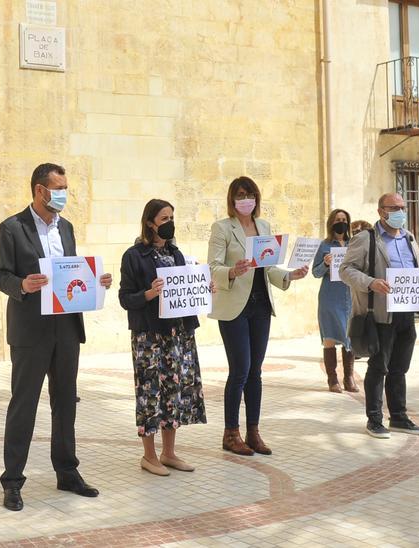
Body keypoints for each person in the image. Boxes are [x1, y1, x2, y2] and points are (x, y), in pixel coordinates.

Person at [0, 163, 112, 512]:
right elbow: (2, 276)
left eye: (65, 188)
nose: (63, 194)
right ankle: (12, 481)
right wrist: (22, 285)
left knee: (65, 402)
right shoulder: (12, 228)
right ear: (39, 190)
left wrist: (95, 283)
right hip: (31, 330)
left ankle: (67, 471)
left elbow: (70, 274)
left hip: (66, 328)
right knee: (24, 405)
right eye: (58, 188)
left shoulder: (68, 228)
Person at [207, 176, 308, 456]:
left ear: (257, 199)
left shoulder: (263, 227)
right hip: (234, 306)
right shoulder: (222, 228)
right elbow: (212, 265)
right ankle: (230, 433)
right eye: (240, 194)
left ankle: (253, 431)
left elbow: (268, 266)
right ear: (232, 199)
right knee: (239, 369)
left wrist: (290, 275)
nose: (246, 199)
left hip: (261, 305)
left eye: (250, 194)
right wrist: (231, 271)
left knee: (256, 372)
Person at [340, 192, 419, 439]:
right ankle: (374, 419)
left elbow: (414, 271)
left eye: (402, 207)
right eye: (394, 208)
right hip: (380, 313)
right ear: (380, 211)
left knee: (399, 367)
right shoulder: (366, 239)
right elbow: (345, 270)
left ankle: (398, 417)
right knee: (378, 367)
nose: (400, 212)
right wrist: (370, 282)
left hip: (406, 312)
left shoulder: (410, 239)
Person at [118, 199, 206, 476]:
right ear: (149, 223)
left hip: (178, 334)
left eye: (171, 217)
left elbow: (186, 290)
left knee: (174, 392)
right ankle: (149, 455)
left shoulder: (177, 253)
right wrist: (149, 294)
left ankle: (169, 453)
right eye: (164, 218)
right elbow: (125, 298)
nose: (169, 223)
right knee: (150, 393)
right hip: (149, 336)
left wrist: (204, 287)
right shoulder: (133, 256)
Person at [313, 208, 358, 393]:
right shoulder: (324, 246)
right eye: (338, 219)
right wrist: (325, 263)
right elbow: (315, 272)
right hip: (330, 297)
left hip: (350, 296)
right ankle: (332, 379)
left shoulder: (353, 244)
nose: (341, 222)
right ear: (331, 222)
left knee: (351, 337)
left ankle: (349, 377)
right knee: (330, 337)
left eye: (344, 219)